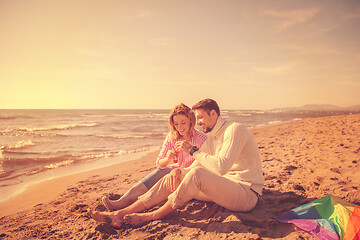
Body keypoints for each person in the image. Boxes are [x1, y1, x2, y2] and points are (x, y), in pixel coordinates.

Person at [88, 98, 264, 228]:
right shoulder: (212, 137)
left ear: (214, 114)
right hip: (225, 188)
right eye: (197, 118)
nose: (198, 122)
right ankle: (120, 213)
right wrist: (178, 170)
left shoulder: (234, 130)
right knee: (174, 176)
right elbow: (200, 164)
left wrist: (193, 151)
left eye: (201, 117)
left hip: (246, 193)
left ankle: (154, 215)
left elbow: (220, 166)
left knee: (197, 175)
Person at [101, 103, 207, 211]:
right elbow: (159, 163)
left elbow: (205, 165)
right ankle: (122, 202)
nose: (179, 127)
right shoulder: (172, 137)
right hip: (175, 172)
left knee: (169, 173)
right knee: (162, 171)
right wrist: (167, 159)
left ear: (191, 121)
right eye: (176, 124)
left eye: (183, 123)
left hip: (191, 177)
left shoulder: (202, 139)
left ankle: (131, 206)